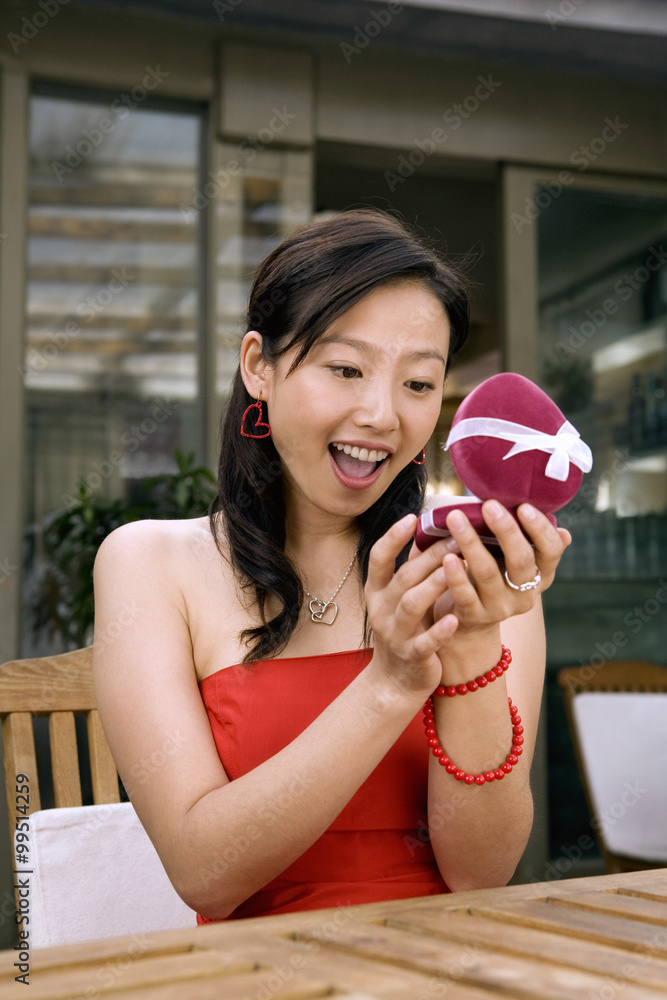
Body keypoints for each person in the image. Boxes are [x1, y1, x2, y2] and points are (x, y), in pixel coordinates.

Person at [92, 209, 570, 923]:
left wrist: (470, 647)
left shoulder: (483, 581)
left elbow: (480, 875)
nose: (381, 413)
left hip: (444, 967)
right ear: (260, 367)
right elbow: (203, 873)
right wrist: (388, 686)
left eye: (417, 384)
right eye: (345, 369)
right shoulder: (151, 561)